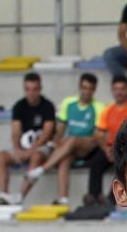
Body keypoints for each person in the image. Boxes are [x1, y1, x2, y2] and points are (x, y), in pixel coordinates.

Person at [36, 72, 106, 207]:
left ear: (94, 90)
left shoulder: (99, 107)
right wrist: (56, 141)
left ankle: (43, 168)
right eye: (84, 88)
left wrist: (71, 141)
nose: (86, 92)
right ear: (80, 87)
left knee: (73, 140)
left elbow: (97, 135)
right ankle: (63, 198)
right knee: (64, 159)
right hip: (71, 145)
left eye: (90, 89)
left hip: (89, 145)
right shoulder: (68, 103)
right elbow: (61, 127)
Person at [0, 72, 58, 205]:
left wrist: (31, 150)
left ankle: (20, 196)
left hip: (41, 146)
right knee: (0, 157)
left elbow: (47, 133)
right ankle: (3, 194)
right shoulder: (19, 106)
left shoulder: (48, 106)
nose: (31, 93)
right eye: (28, 89)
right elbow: (15, 131)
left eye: (34, 89)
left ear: (40, 89)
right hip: (23, 146)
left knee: (37, 156)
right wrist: (17, 149)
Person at [84, 76, 127, 203]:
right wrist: (106, 148)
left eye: (122, 89)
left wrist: (120, 149)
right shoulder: (107, 110)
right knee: (96, 162)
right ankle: (94, 196)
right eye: (116, 89)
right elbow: (98, 133)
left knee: (125, 164)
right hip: (110, 147)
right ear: (112, 91)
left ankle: (111, 199)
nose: (119, 92)